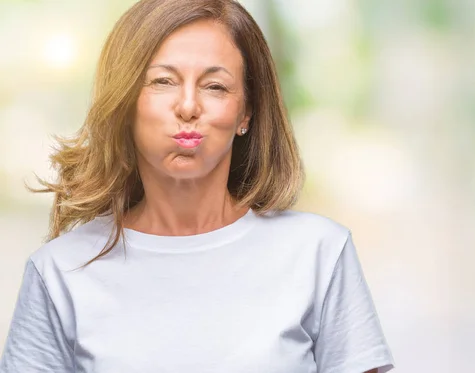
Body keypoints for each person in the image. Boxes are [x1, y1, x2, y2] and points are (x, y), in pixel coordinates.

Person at [0, 0, 395, 372]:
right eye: (163, 81)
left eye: (215, 86)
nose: (188, 106)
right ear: (124, 102)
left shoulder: (319, 254)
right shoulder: (58, 272)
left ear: (246, 112)